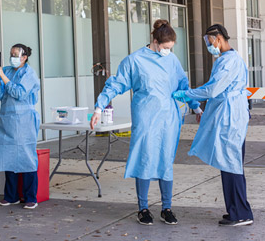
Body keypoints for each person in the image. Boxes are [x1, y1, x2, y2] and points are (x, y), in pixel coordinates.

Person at [90, 19, 202, 225]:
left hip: (169, 118)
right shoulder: (135, 61)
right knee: (145, 160)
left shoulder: (172, 60)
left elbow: (184, 85)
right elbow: (115, 85)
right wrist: (99, 107)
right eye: (166, 47)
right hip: (146, 118)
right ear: (155, 41)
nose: (168, 51)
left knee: (165, 161)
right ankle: (143, 208)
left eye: (171, 48)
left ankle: (166, 207)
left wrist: (196, 106)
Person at [173, 24, 253, 226]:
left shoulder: (229, 62)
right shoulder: (227, 59)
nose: (210, 46)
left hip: (230, 118)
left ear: (218, 38)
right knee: (229, 164)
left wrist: (187, 94)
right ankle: (236, 209)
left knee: (232, 164)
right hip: (231, 115)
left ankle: (241, 213)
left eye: (210, 42)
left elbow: (212, 90)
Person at [0, 43, 41, 210]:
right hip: (7, 120)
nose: (12, 57)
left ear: (24, 57)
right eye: (11, 54)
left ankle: (30, 197)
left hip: (24, 121)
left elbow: (19, 93)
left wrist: (2, 75)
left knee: (26, 157)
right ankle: (10, 196)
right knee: (8, 157)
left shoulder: (29, 74)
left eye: (15, 54)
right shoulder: (7, 70)